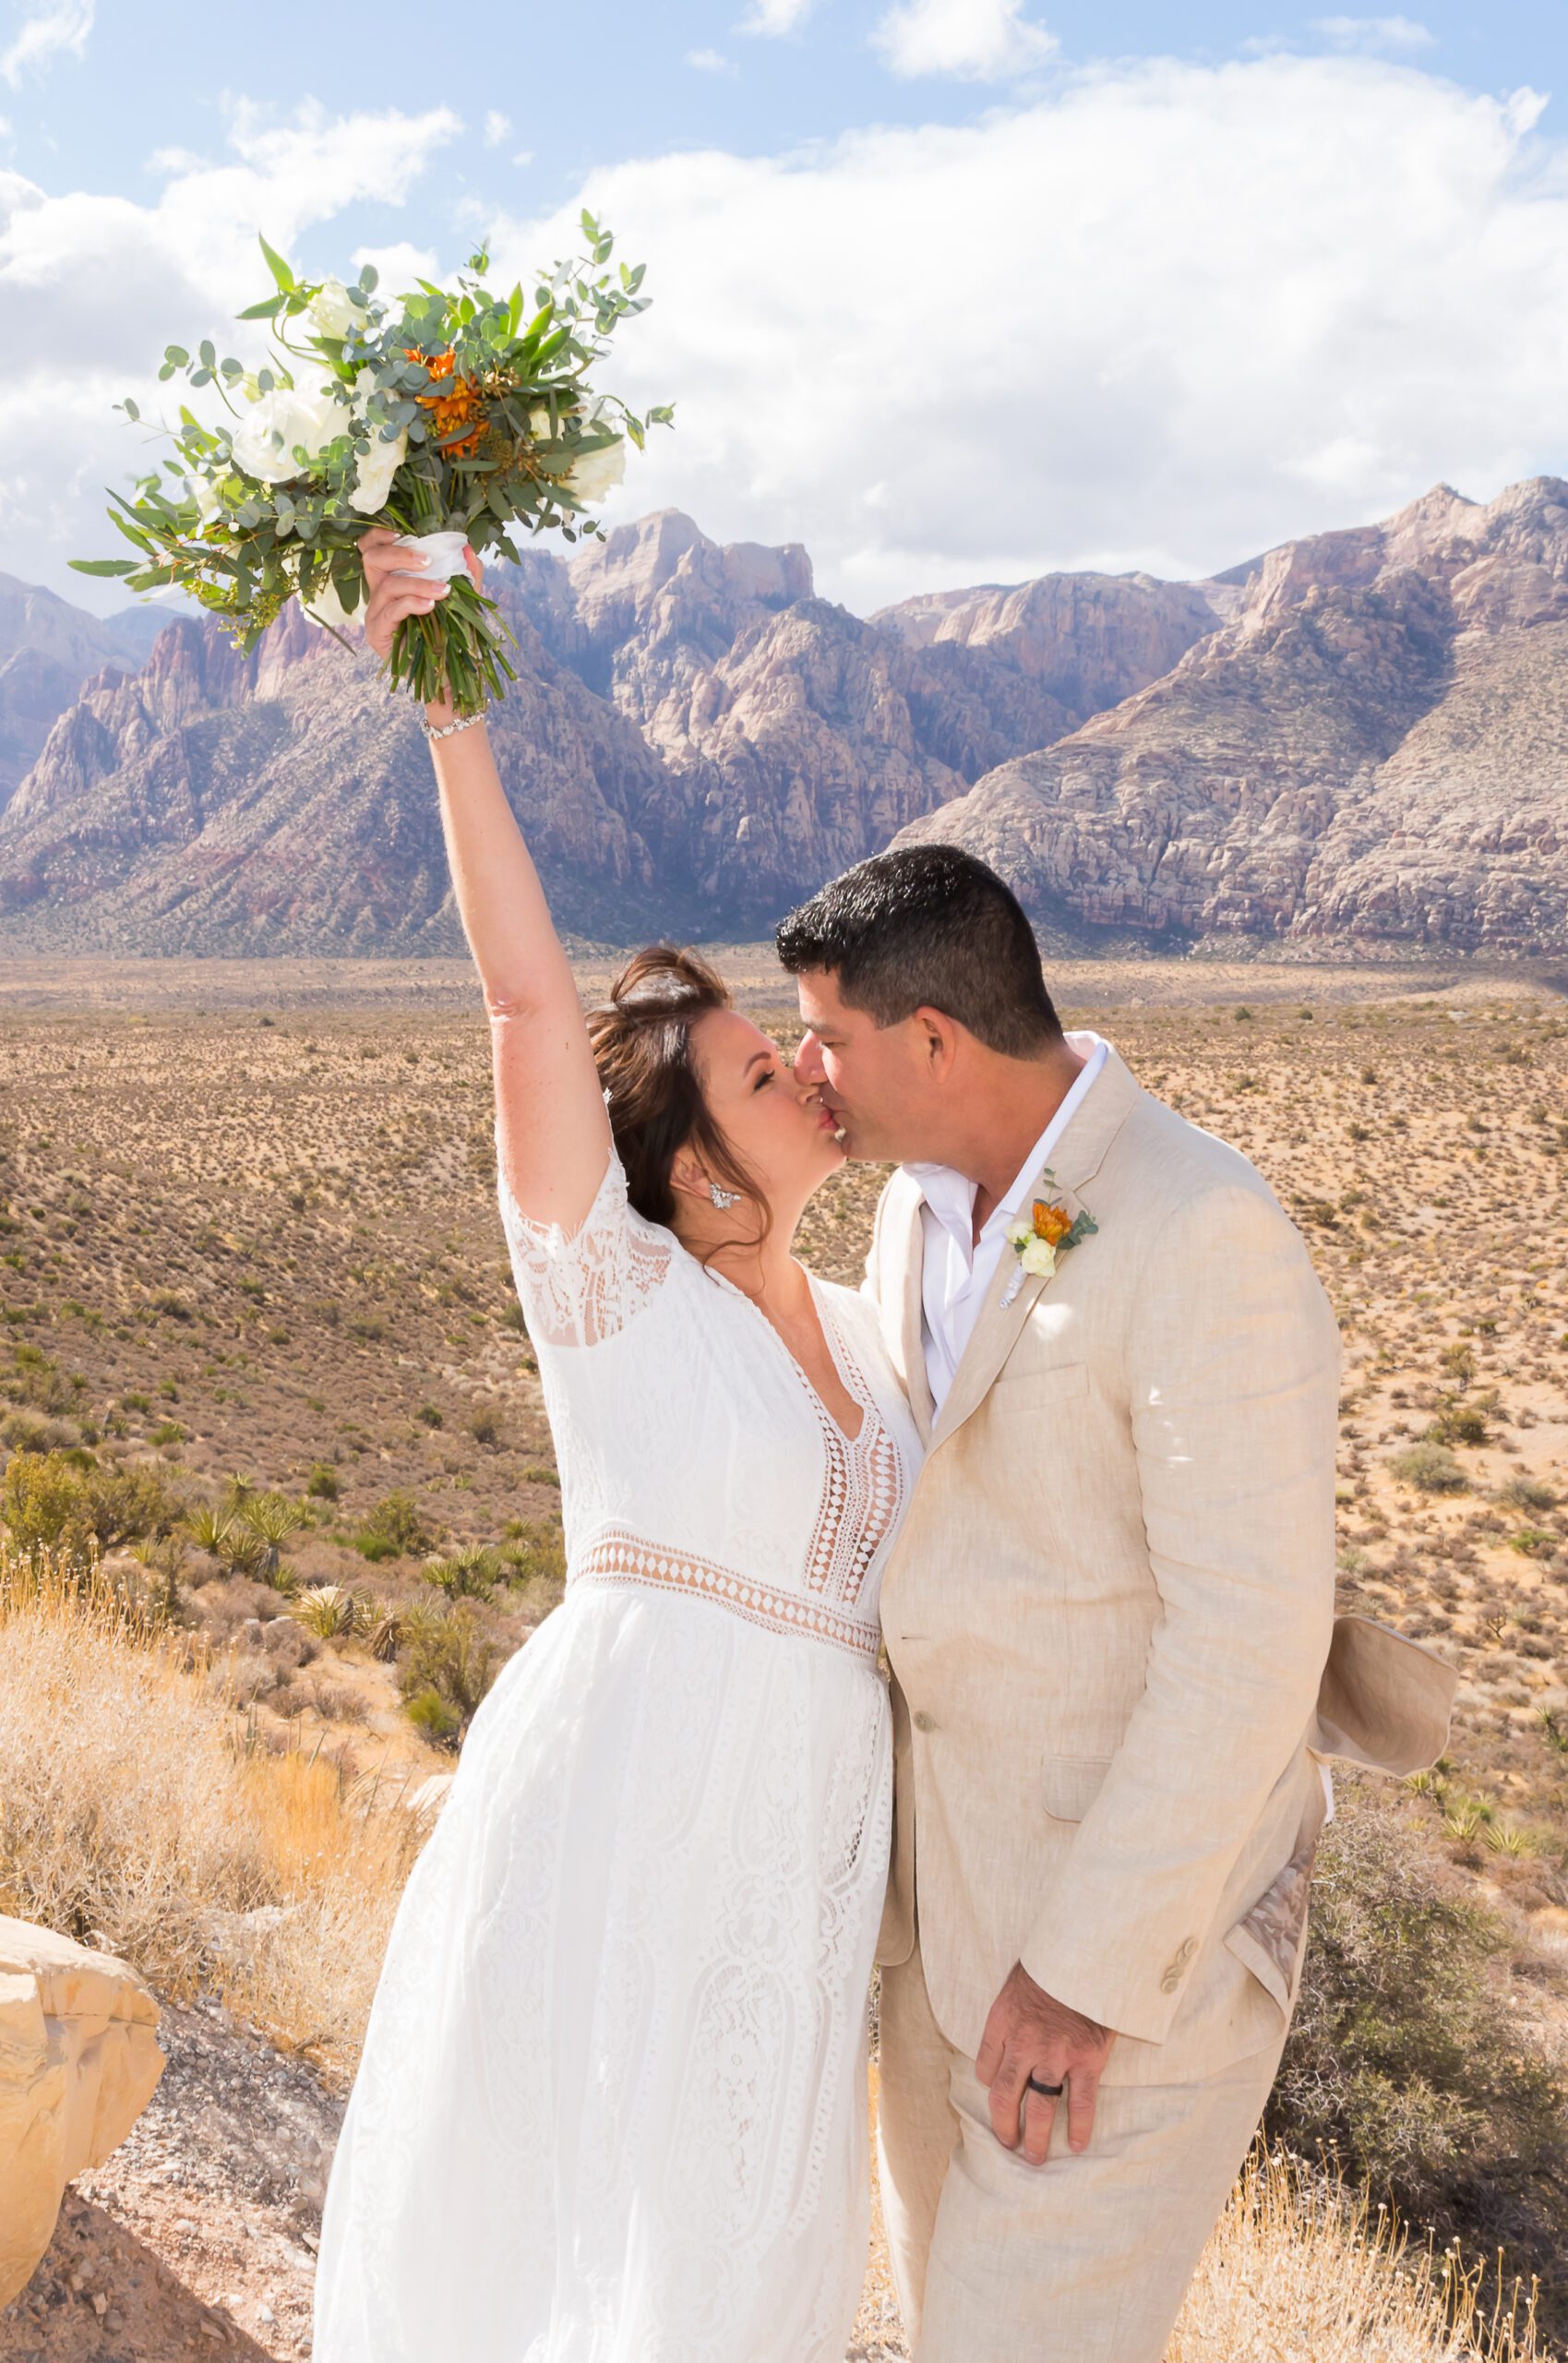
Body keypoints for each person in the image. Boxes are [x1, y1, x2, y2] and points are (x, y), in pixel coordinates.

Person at [310, 534, 923, 2363]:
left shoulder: (878, 1340)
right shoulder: (618, 1299)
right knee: (563, 2239)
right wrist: (451, 714)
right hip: (626, 1824)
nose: (807, 1075)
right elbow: (522, 1002)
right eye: (760, 1075)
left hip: (794, 1876)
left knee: (731, 2264)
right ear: (689, 1166)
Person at [777, 846, 1456, 2363]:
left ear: (934, 1041)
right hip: (938, 1951)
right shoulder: (910, 1214)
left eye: (825, 1036)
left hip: (1117, 1985)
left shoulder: (1203, 1229)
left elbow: (1250, 1644)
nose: (802, 1067)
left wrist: (1078, 1980)